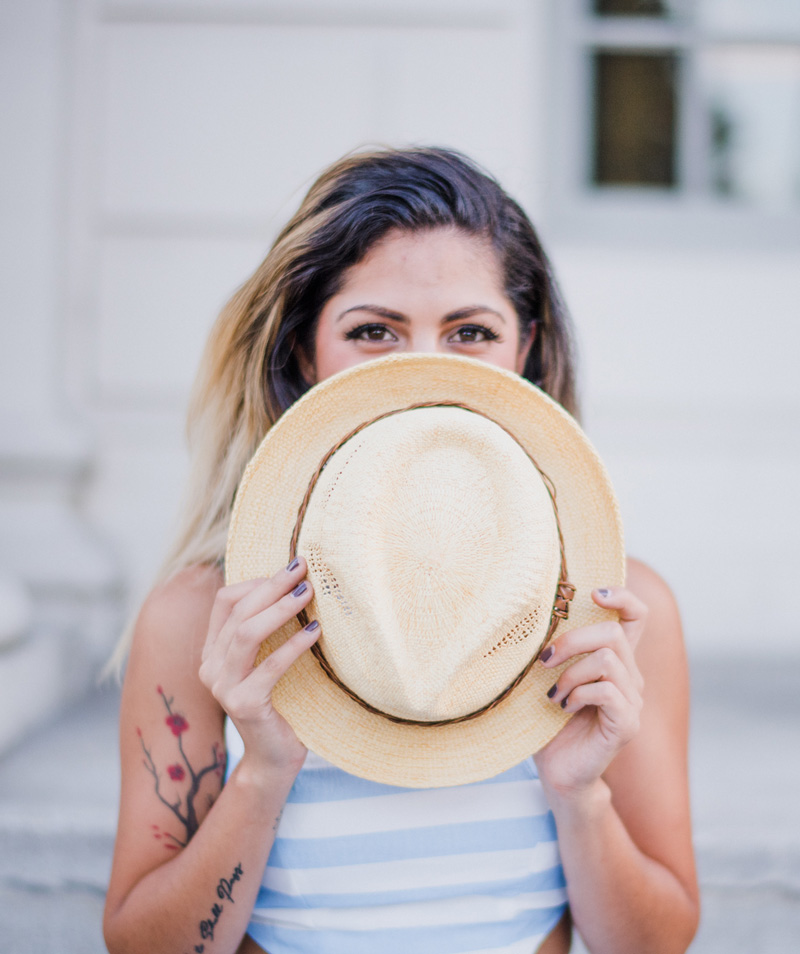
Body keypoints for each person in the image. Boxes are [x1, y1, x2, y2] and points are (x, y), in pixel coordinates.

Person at [103, 147, 699, 954]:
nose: (423, 369)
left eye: (471, 332)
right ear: (304, 353)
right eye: (373, 331)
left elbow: (656, 943)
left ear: (524, 350)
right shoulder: (207, 621)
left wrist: (578, 791)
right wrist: (263, 772)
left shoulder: (614, 615)